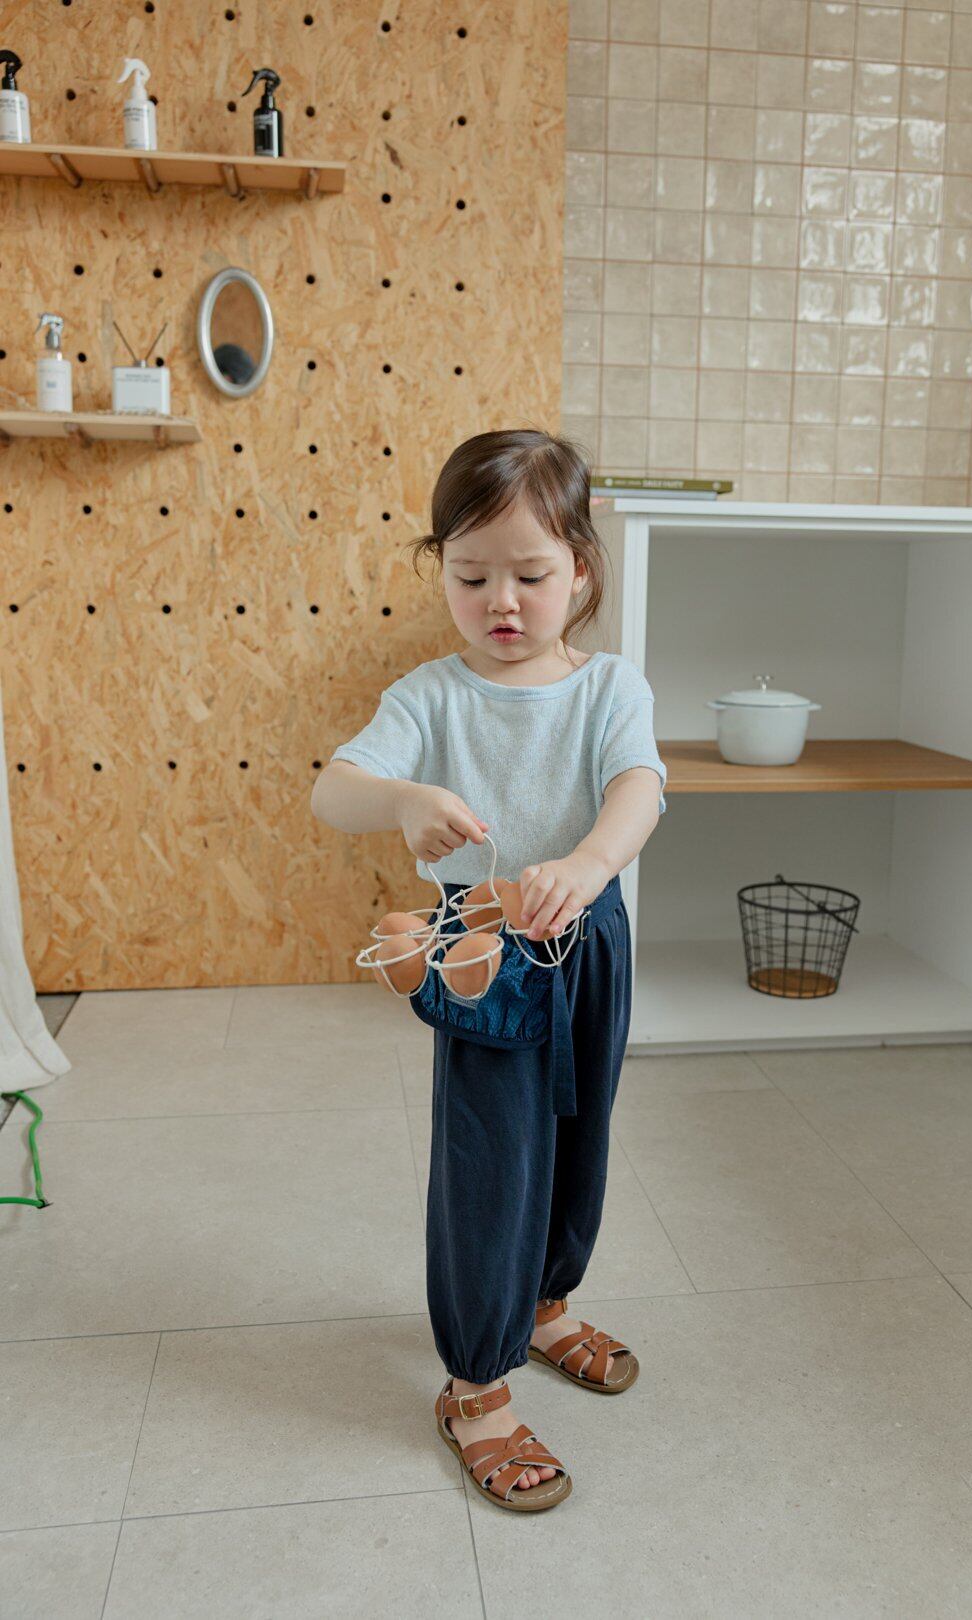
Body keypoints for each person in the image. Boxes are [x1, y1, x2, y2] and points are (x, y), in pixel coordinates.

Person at [311, 427, 667, 1513]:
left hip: (590, 938)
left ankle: (545, 1304)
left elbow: (640, 786)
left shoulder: (610, 687)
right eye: (471, 577)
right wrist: (404, 799)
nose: (500, 601)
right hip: (484, 955)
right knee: (491, 1165)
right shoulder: (431, 696)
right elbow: (334, 789)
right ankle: (474, 1384)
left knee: (578, 1142)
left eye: (530, 575)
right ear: (442, 572)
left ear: (582, 572)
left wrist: (591, 866)